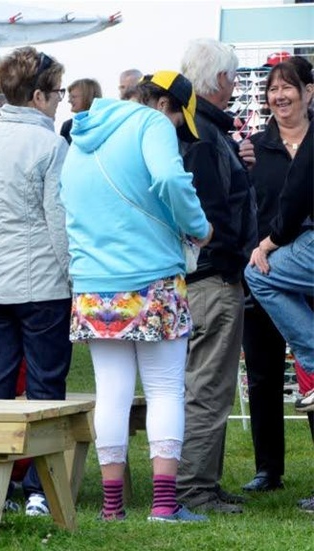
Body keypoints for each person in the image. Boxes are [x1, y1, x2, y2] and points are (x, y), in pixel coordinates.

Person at [60, 71, 212, 523]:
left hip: (93, 283)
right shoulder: (152, 124)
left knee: (111, 392)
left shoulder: (80, 137)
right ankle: (164, 505)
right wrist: (199, 227)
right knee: (165, 388)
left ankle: (113, 508)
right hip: (151, 277)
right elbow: (168, 176)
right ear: (162, 105)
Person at [0, 47, 70, 517]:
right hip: (42, 282)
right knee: (45, 389)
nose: (62, 101)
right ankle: (40, 490)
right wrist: (71, 278)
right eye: (59, 92)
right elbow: (58, 221)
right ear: (39, 95)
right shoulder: (50, 146)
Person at [176, 38, 257, 514]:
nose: (235, 85)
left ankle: (203, 480)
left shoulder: (198, 130)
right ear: (221, 80)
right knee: (208, 387)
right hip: (213, 278)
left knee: (207, 384)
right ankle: (194, 489)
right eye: (234, 77)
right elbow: (210, 215)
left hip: (200, 277)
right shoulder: (205, 137)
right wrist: (235, 256)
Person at [239, 56, 313, 499]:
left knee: (310, 366)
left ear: (309, 92)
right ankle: (268, 469)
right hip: (268, 265)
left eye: (288, 87)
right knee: (263, 372)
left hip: (303, 267)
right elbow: (249, 205)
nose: (278, 96)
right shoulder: (255, 146)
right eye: (271, 89)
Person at [60, 78, 103, 144]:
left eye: (73, 97)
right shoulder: (67, 126)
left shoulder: (102, 124)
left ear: (87, 97)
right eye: (69, 97)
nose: (69, 101)